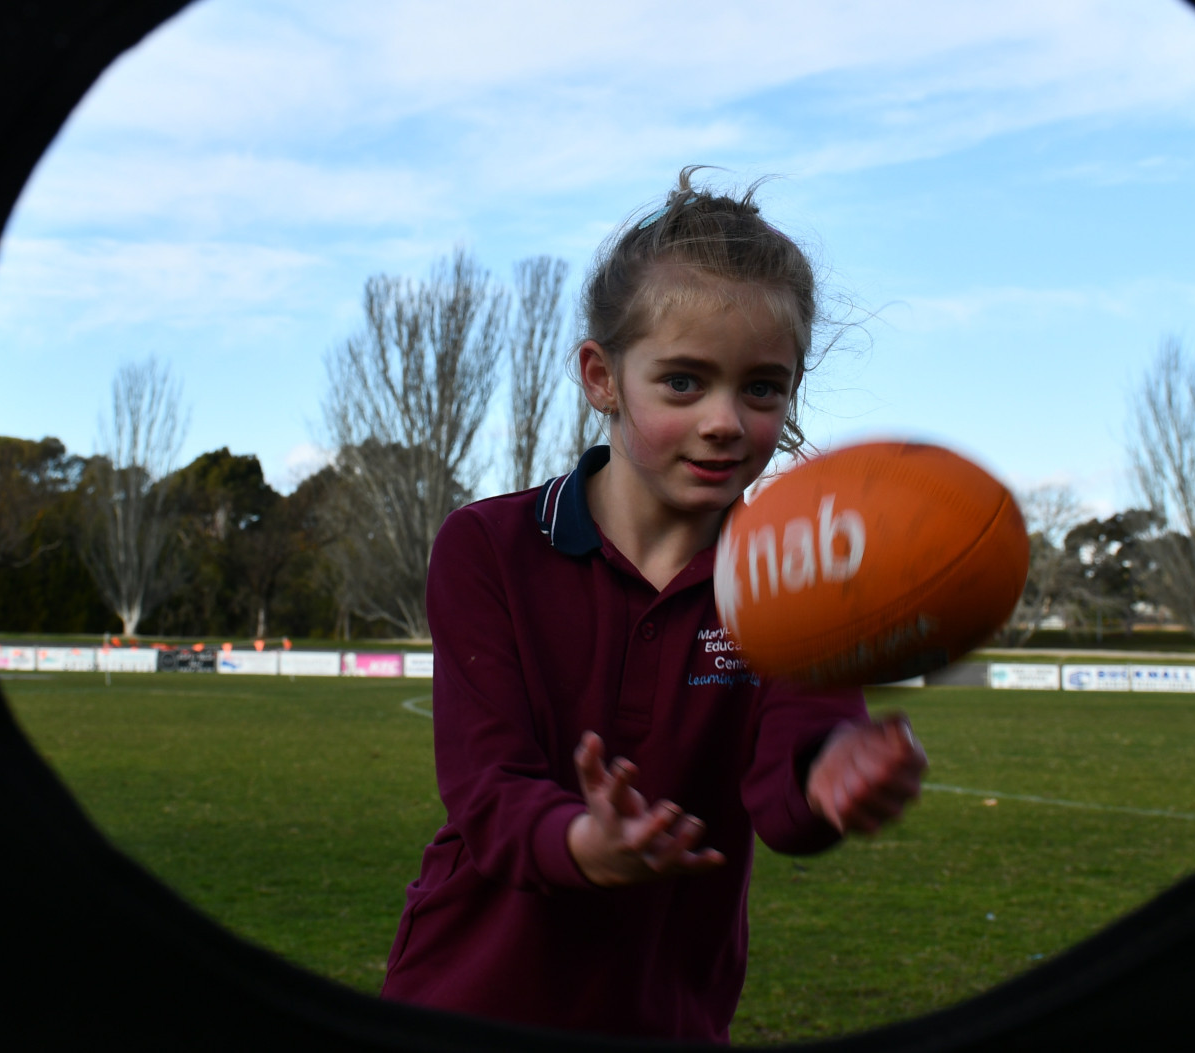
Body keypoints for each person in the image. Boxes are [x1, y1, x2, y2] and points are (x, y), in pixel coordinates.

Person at [380, 169, 927, 1041]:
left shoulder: (799, 578)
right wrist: (579, 841)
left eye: (761, 387)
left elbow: (794, 774)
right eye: (682, 381)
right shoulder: (488, 547)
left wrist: (832, 775)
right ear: (602, 376)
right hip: (467, 995)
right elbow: (487, 787)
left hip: (667, 1015)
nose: (724, 420)